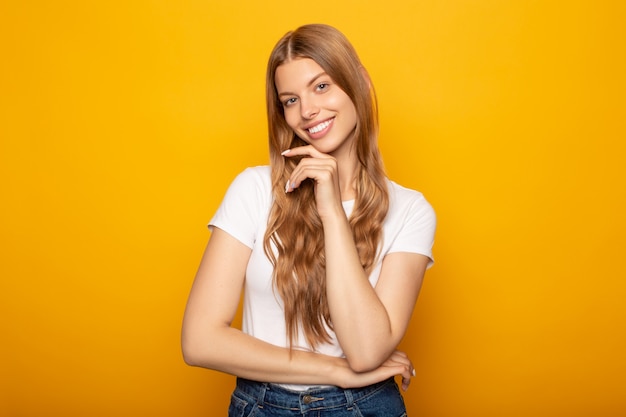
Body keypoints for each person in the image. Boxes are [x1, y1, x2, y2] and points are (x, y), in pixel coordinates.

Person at [182, 23, 436, 416]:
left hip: (364, 407)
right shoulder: (253, 189)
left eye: (321, 86)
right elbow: (199, 341)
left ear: (361, 83)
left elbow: (367, 350)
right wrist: (335, 370)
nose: (307, 111)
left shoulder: (411, 210)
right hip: (262, 405)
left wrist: (332, 211)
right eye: (289, 100)